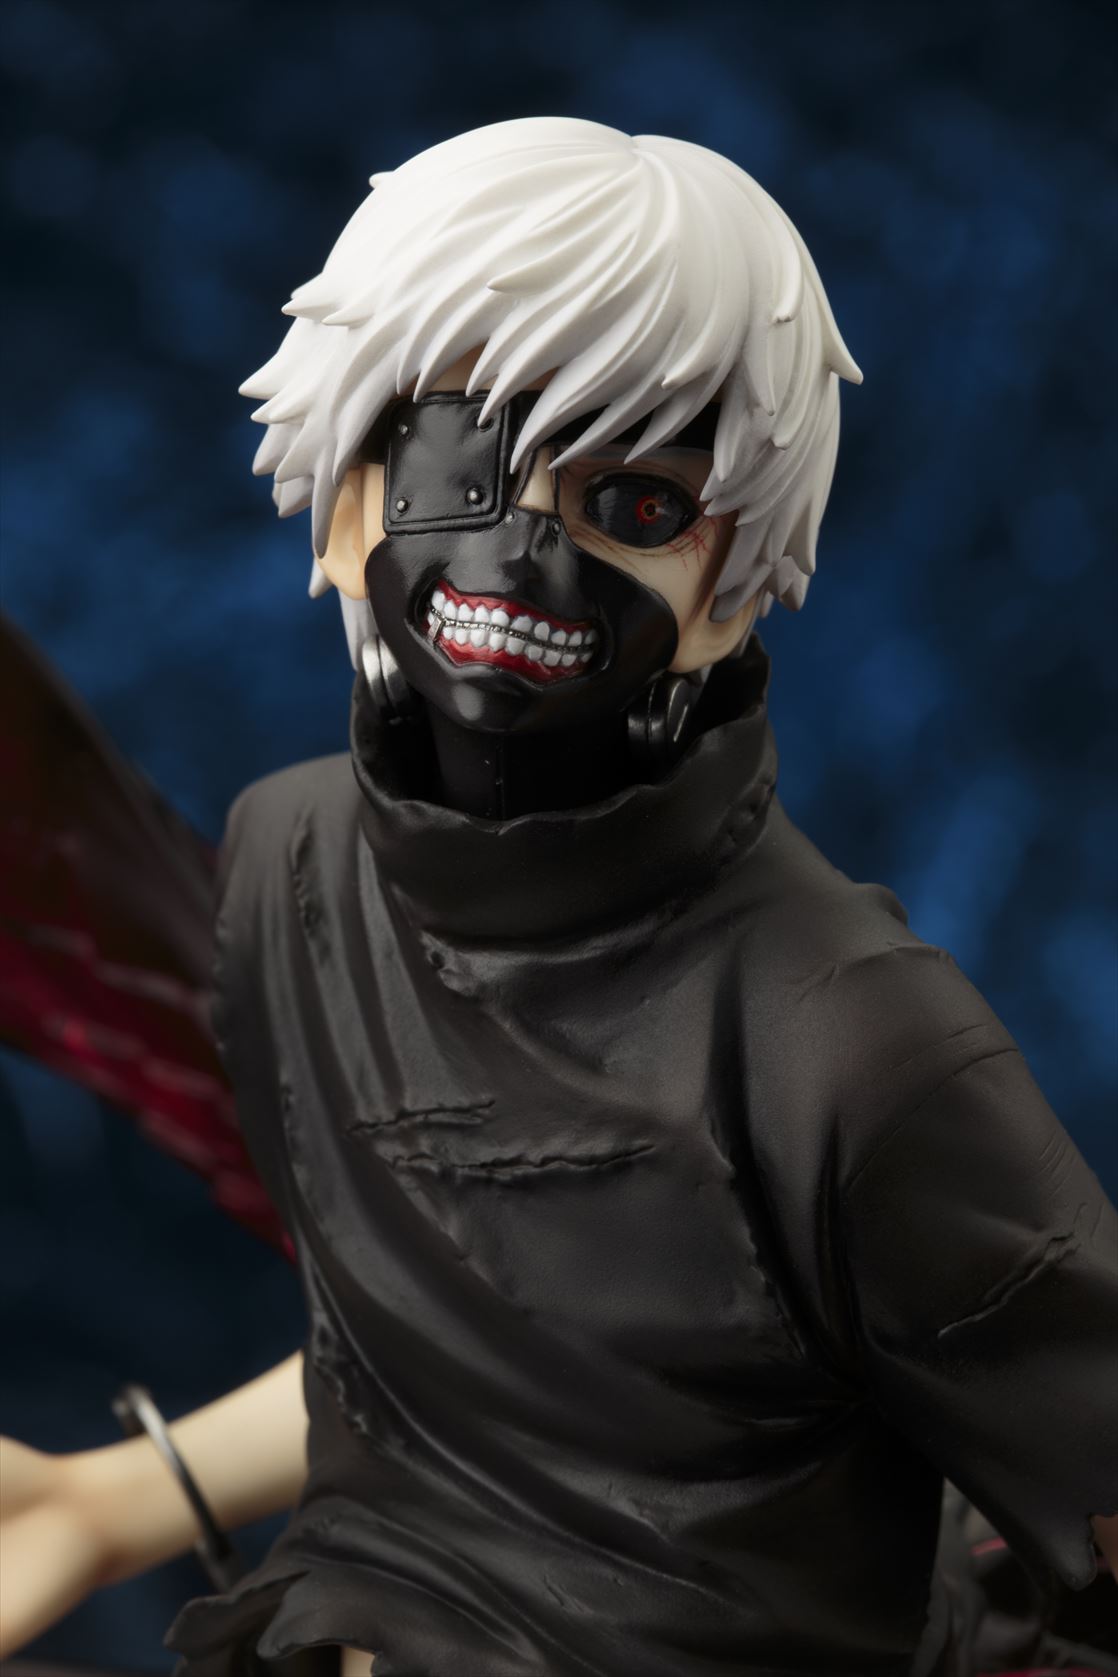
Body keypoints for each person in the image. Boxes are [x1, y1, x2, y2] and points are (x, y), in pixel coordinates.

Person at [1, 117, 1115, 1677]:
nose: (520, 550)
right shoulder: (294, 865)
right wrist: (123, 1497)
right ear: (350, 501)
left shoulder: (844, 1039)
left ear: (731, 583)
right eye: (457, 465)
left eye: (636, 506)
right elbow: (452, 1359)